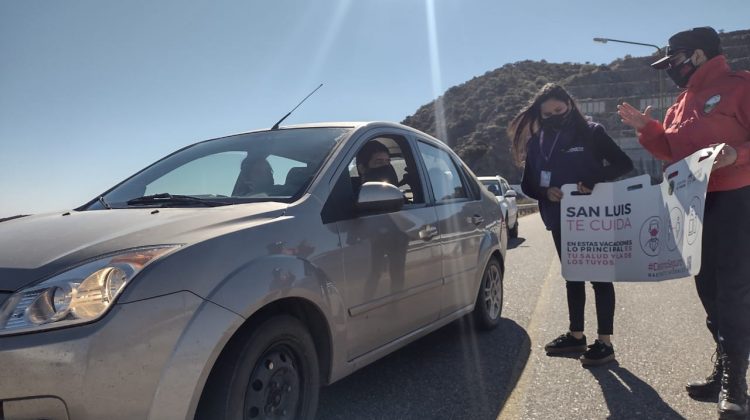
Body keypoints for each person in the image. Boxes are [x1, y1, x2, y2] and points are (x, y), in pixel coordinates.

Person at [618, 26, 750, 418]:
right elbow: (671, 153)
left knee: (732, 293)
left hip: (736, 200)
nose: (669, 69)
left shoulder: (740, 86)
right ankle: (725, 368)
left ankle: (737, 386)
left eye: (672, 60)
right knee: (707, 291)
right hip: (691, 206)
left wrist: (736, 155)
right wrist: (649, 131)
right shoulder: (679, 103)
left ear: (695, 55)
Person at [509, 83, 633, 366]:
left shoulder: (592, 133)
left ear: (569, 104)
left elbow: (623, 163)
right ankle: (576, 335)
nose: (554, 115)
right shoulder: (536, 142)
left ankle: (605, 343)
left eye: (559, 109)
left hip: (595, 217)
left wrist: (593, 180)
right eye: (547, 113)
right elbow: (529, 183)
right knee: (573, 276)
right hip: (560, 218)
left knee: (600, 278)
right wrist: (545, 192)